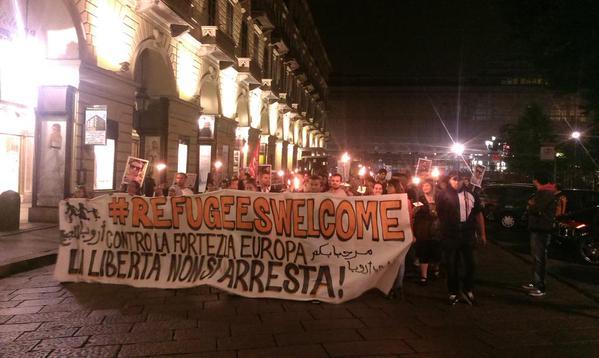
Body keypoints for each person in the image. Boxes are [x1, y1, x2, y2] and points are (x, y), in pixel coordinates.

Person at [436, 171, 486, 306]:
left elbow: (478, 214)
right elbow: (439, 213)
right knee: (451, 264)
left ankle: (468, 288)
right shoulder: (443, 194)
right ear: (449, 180)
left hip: (467, 234)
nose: (457, 182)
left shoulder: (471, 194)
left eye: (460, 179)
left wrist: (482, 234)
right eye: (454, 179)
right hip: (450, 234)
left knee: (471, 263)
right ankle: (453, 292)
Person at [522, 172, 557, 297]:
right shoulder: (545, 192)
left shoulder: (546, 193)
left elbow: (537, 209)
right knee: (537, 257)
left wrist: (531, 206)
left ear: (537, 181)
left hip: (542, 229)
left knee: (539, 258)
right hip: (538, 228)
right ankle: (535, 282)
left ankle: (540, 286)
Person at [413, 179, 442, 285]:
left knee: (436, 251)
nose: (425, 187)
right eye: (424, 186)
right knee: (423, 251)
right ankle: (423, 276)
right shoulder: (419, 199)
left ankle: (436, 269)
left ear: (432, 187)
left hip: (436, 229)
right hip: (423, 229)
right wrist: (415, 210)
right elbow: (415, 213)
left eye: (427, 185)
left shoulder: (438, 198)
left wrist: (437, 212)